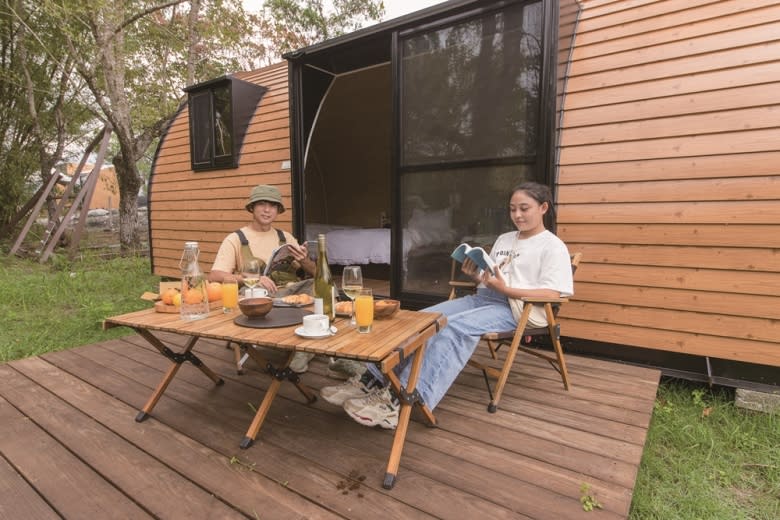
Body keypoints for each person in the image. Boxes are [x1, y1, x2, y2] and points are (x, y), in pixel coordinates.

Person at [319, 181, 574, 429]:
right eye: (512, 208)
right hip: (485, 298)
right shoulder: (506, 239)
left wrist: (505, 290)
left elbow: (554, 292)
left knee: (452, 327)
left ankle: (401, 399)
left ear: (543, 207)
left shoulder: (552, 246)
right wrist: (477, 276)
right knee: (420, 319)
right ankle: (372, 380)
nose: (517, 215)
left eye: (524, 208)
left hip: (518, 308)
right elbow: (495, 277)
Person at [209, 184, 316, 372]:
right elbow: (215, 276)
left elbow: (317, 273)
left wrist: (305, 260)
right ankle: (301, 347)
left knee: (325, 288)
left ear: (278, 210)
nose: (267, 210)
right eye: (262, 204)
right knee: (259, 295)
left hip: (289, 293)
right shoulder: (236, 238)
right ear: (252, 207)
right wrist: (251, 279)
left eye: (273, 206)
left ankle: (306, 349)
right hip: (258, 297)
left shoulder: (286, 237)